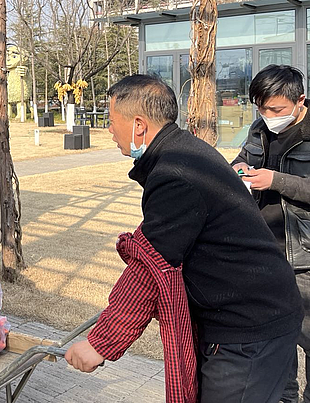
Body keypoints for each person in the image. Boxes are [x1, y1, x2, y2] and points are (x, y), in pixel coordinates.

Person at [65, 74, 302, 403]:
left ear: (138, 125)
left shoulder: (176, 174)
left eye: (112, 120)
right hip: (260, 313)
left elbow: (150, 267)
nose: (109, 129)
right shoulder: (183, 153)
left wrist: (100, 343)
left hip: (249, 327)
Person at [231, 65, 310, 403]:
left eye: (277, 109)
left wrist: (275, 180)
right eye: (262, 108)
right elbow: (241, 158)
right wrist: (238, 168)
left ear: (300, 100)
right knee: (277, 338)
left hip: (305, 255)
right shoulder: (260, 127)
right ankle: (283, 397)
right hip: (265, 251)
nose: (269, 116)